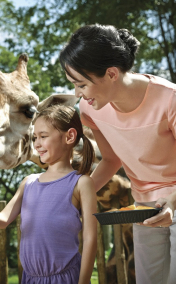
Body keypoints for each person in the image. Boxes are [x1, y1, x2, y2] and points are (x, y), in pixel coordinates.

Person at [59, 23, 176, 284]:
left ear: (111, 73)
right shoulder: (92, 109)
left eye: (81, 85)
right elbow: (111, 160)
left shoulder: (170, 99)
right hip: (144, 207)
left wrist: (173, 201)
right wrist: (73, 196)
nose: (78, 95)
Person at [0, 104, 97, 284]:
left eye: (43, 136)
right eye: (35, 137)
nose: (37, 144)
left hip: (66, 278)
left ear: (70, 136)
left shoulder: (81, 183)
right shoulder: (29, 182)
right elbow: (3, 220)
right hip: (29, 279)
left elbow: (90, 238)